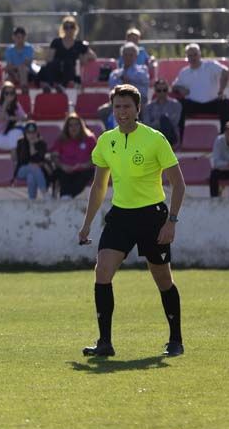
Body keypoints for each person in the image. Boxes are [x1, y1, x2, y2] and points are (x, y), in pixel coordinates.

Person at [78, 84, 185, 358]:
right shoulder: (105, 140)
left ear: (138, 109)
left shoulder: (155, 139)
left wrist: (171, 221)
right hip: (120, 216)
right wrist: (87, 223)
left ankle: (175, 340)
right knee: (102, 272)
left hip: (152, 217)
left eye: (127, 106)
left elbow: (178, 184)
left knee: (162, 278)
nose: (122, 112)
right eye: (117, 107)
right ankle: (105, 343)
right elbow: (99, 186)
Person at [173, 43, 229, 136]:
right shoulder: (184, 72)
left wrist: (221, 90)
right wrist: (180, 88)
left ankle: (224, 137)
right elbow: (174, 86)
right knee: (179, 105)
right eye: (190, 55)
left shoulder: (210, 65)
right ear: (186, 57)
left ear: (200, 54)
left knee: (225, 103)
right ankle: (179, 138)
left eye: (195, 54)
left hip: (212, 103)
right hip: (193, 105)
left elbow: (226, 72)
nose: (193, 58)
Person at [37, 16, 94, 92]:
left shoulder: (79, 44)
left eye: (71, 27)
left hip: (70, 72)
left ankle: (60, 86)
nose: (69, 29)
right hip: (56, 69)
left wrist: (83, 57)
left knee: (68, 64)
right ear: (63, 29)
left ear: (75, 28)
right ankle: (48, 86)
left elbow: (93, 56)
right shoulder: (56, 42)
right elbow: (49, 59)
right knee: (50, 66)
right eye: (66, 27)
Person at [52, 114, 96, 199]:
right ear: (66, 127)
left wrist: (86, 164)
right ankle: (64, 197)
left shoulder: (89, 139)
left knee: (86, 174)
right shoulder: (61, 140)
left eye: (76, 124)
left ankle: (67, 196)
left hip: (84, 169)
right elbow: (54, 156)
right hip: (65, 169)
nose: (73, 127)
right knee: (60, 174)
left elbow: (97, 156)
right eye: (71, 125)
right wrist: (62, 166)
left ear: (81, 126)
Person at [13, 121, 54, 200]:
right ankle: (45, 193)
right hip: (22, 170)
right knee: (33, 167)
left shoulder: (42, 144)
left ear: (37, 133)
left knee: (31, 177)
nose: (31, 135)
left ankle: (32, 200)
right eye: (29, 133)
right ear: (25, 133)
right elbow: (22, 160)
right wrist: (30, 144)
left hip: (36, 171)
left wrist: (33, 146)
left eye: (33, 133)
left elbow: (40, 158)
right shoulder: (21, 143)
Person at [0, 81, 27, 151]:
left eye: (11, 93)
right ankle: (15, 155)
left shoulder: (16, 105)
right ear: (2, 94)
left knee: (17, 132)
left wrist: (11, 118)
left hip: (10, 136)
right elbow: (0, 118)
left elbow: (24, 117)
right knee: (17, 139)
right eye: (6, 93)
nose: (9, 95)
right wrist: (5, 103)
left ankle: (14, 153)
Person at [140, 79, 181, 147]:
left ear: (168, 90)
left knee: (164, 119)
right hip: (154, 136)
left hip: (170, 137)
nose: (162, 93)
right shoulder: (148, 107)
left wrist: (158, 122)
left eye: (164, 90)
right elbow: (147, 124)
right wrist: (160, 122)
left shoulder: (176, 105)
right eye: (159, 91)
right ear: (155, 91)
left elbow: (174, 122)